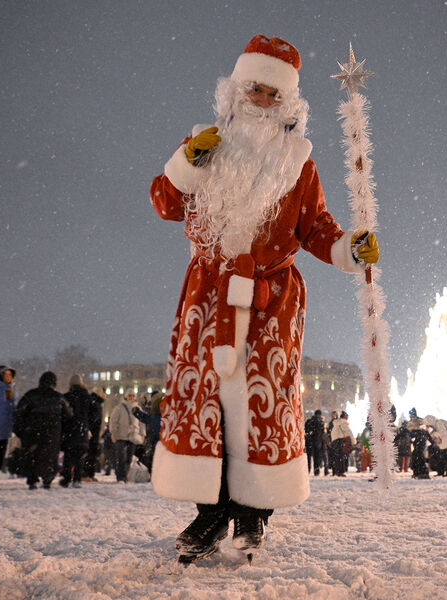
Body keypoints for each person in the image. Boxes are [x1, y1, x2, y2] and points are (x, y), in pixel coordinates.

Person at [149, 34, 380, 563]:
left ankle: (254, 515)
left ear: (288, 103)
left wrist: (349, 247)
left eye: (273, 95)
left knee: (259, 406)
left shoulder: (298, 162)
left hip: (271, 302)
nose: (262, 101)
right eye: (254, 89)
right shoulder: (204, 144)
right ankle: (210, 514)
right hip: (209, 297)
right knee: (208, 402)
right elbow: (165, 201)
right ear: (236, 90)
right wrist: (186, 161)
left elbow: (316, 227)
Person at [13, 372, 71, 490]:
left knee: (33, 454)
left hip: (33, 430)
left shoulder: (31, 395)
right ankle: (47, 478)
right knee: (50, 455)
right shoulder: (59, 397)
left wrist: (21, 430)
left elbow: (19, 412)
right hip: (53, 430)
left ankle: (32, 479)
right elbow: (68, 415)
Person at [60, 375, 93, 488]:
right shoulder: (87, 397)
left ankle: (67, 477)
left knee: (68, 455)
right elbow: (93, 415)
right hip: (82, 430)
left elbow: (62, 414)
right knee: (80, 456)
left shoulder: (66, 397)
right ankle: (77, 479)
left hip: (69, 430)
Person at [109, 391, 145, 483]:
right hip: (121, 436)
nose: (132, 397)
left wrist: (142, 435)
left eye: (133, 395)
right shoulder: (119, 408)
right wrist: (114, 432)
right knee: (121, 457)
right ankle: (121, 477)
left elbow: (141, 423)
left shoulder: (138, 408)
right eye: (130, 395)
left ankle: (125, 476)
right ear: (126, 397)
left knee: (129, 458)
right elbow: (113, 421)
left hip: (133, 436)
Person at [133, 391, 163, 474]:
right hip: (159, 439)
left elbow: (148, 419)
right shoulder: (161, 412)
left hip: (156, 439)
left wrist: (137, 412)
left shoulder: (156, 413)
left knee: (155, 457)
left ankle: (155, 473)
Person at [82, 388, 106, 481]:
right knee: (90, 453)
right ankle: (86, 474)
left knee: (93, 453)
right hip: (91, 433)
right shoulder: (94, 402)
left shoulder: (96, 402)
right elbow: (92, 418)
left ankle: (90, 474)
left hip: (94, 433)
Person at [406, 409, 430, 479]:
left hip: (420, 439)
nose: (410, 415)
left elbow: (424, 429)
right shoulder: (411, 422)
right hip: (417, 440)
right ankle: (417, 472)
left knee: (418, 455)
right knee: (416, 455)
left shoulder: (419, 420)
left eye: (411, 414)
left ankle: (422, 472)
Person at [330, 411, 354, 477]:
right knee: (341, 456)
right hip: (339, 440)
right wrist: (354, 441)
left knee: (335, 456)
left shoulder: (336, 423)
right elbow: (348, 432)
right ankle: (341, 472)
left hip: (334, 440)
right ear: (345, 417)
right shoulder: (343, 422)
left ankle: (335, 471)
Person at [304, 410, 326, 475]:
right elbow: (323, 434)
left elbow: (306, 430)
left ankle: (308, 470)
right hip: (317, 442)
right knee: (316, 457)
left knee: (308, 457)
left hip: (309, 442)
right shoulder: (321, 423)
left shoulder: (309, 421)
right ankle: (316, 471)